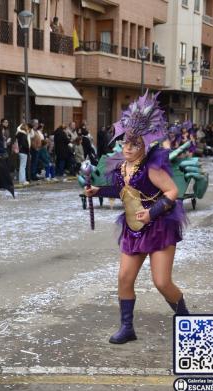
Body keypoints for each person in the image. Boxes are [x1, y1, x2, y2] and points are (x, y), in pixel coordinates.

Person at [84, 92, 190, 345]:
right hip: (133, 228)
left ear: (144, 145)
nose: (127, 149)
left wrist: (151, 213)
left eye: (133, 145)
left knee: (162, 282)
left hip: (159, 227)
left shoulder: (152, 167)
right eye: (124, 144)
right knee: (124, 278)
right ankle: (127, 327)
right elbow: (123, 190)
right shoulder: (121, 165)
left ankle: (186, 320)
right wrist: (98, 190)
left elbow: (172, 193)